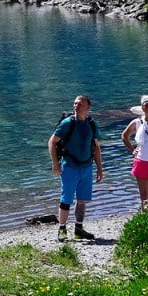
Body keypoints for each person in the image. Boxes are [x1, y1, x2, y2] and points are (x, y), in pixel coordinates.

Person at [48, 94, 104, 241]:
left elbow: (96, 148)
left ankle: (79, 229)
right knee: (66, 199)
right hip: (70, 167)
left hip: (86, 167)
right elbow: (52, 142)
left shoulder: (92, 124)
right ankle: (62, 229)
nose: (76, 106)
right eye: (75, 103)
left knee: (82, 200)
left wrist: (100, 168)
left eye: (80, 104)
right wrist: (55, 164)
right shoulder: (67, 123)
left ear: (88, 107)